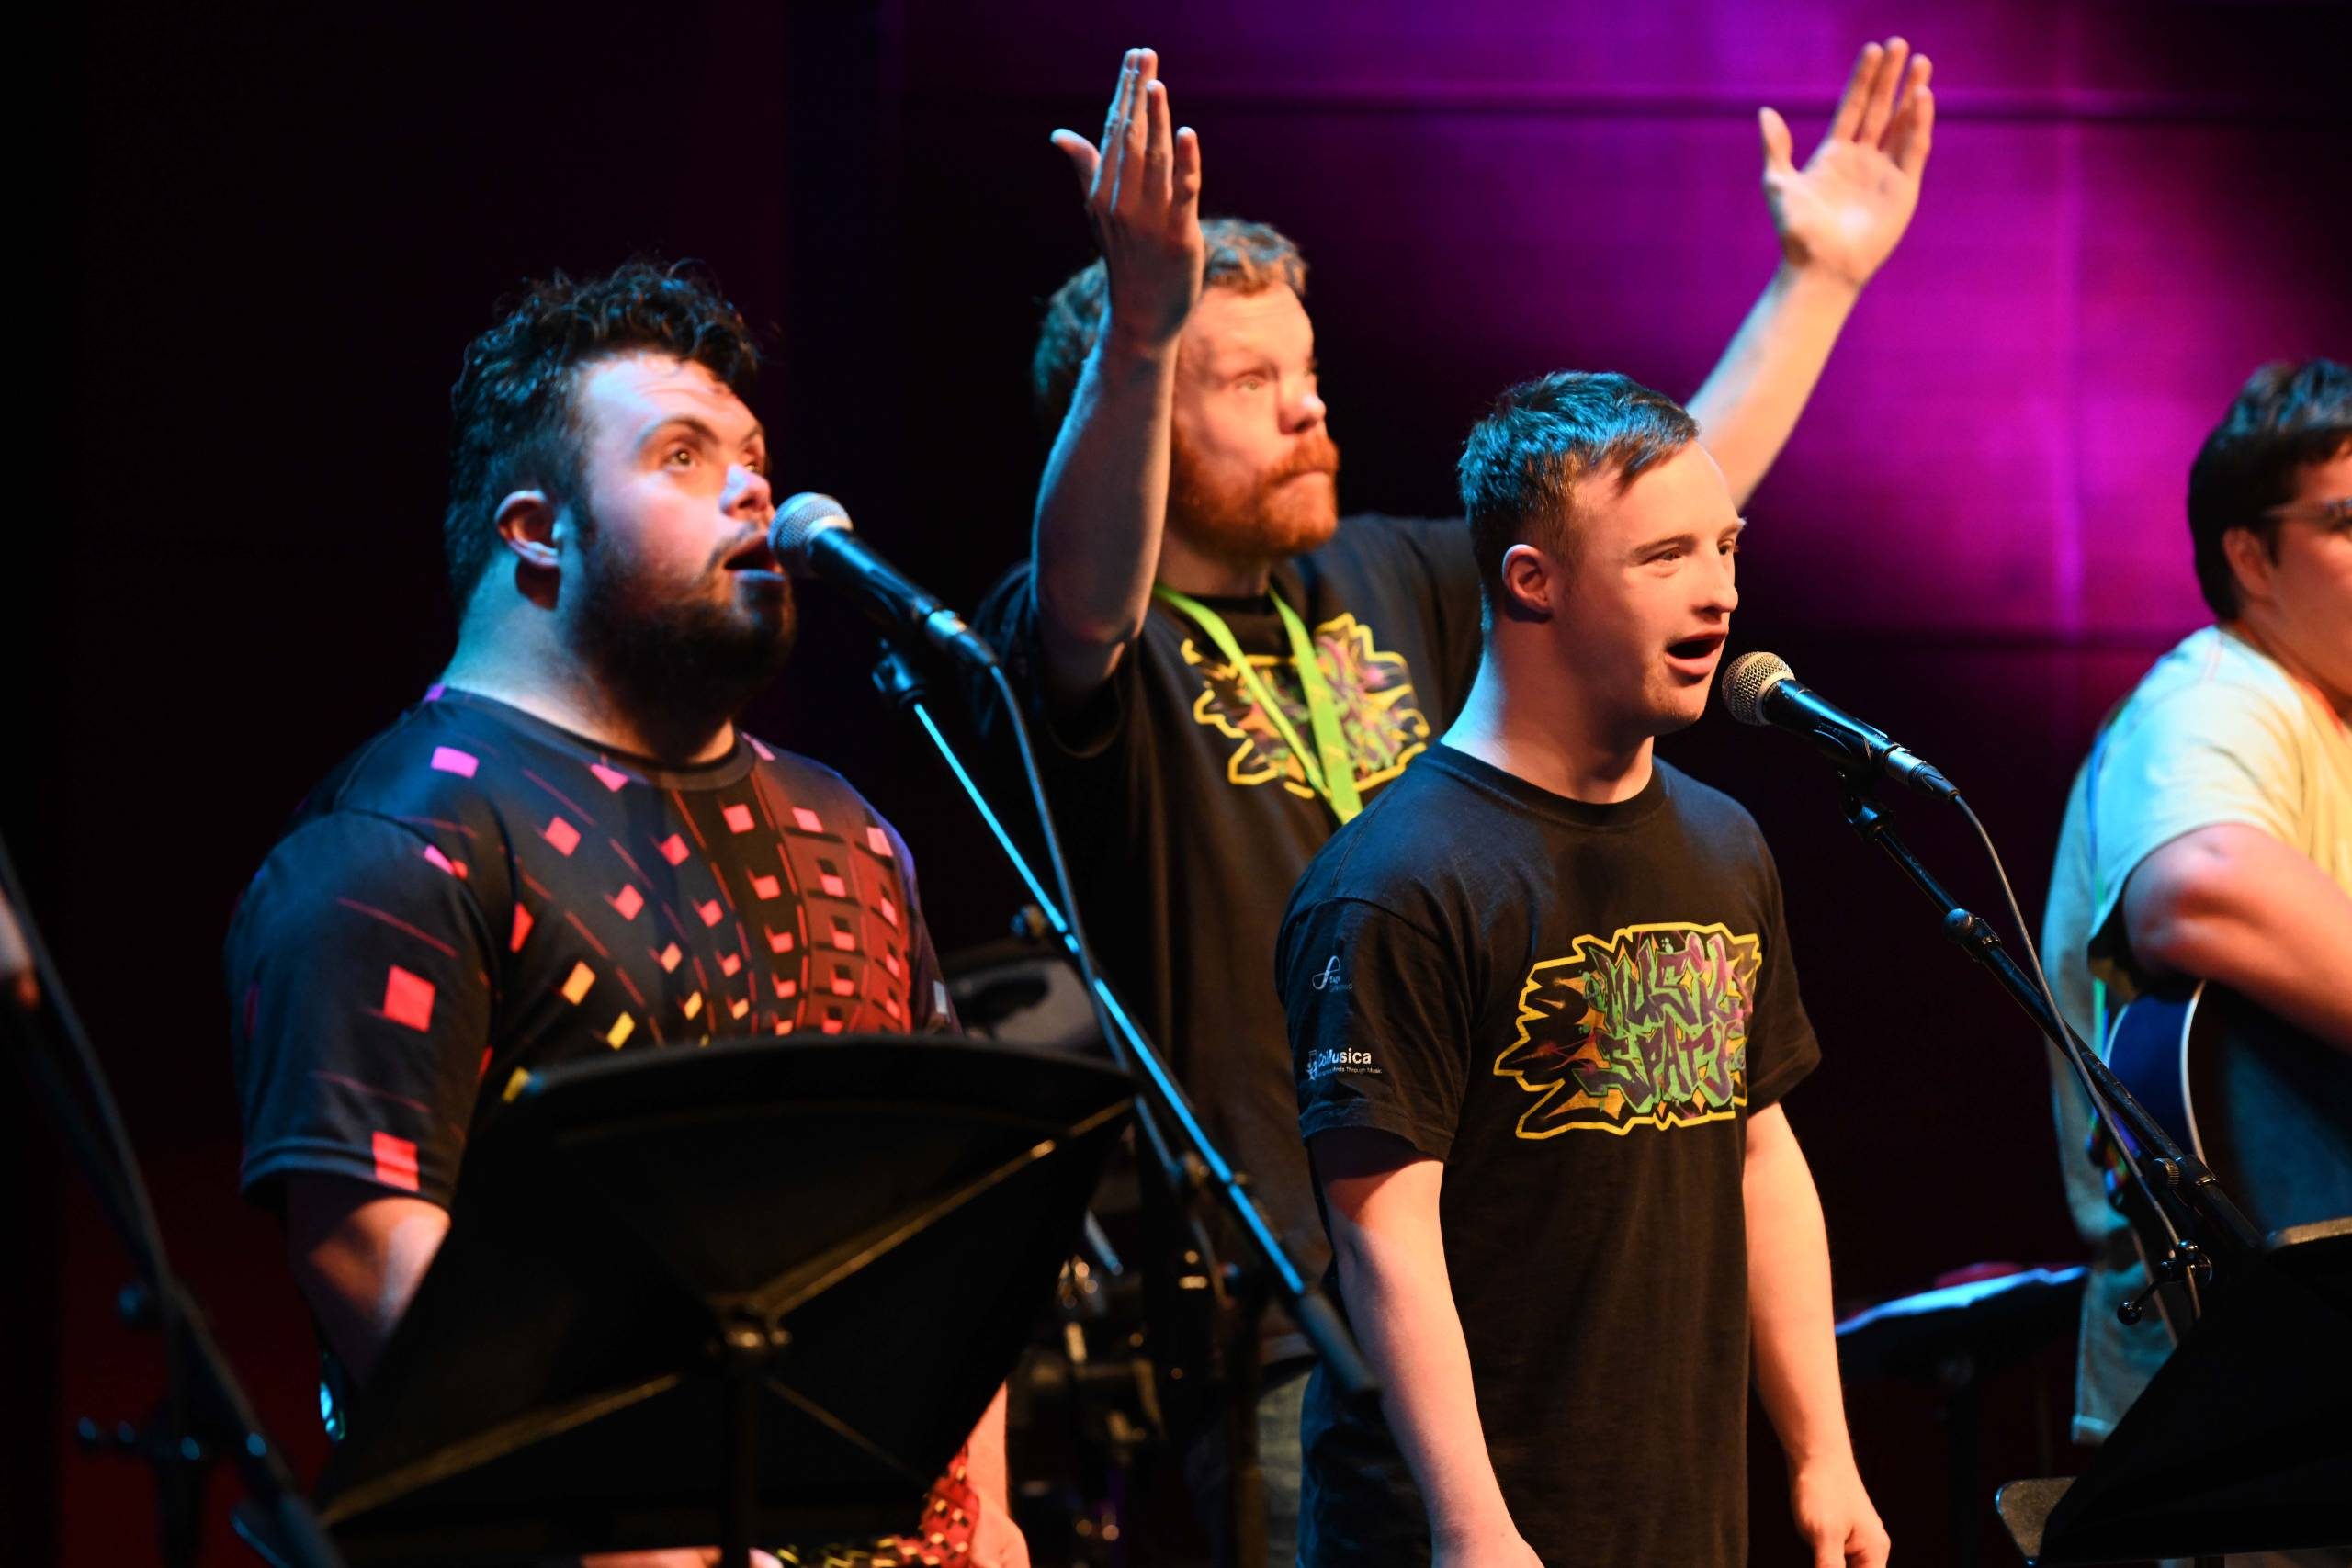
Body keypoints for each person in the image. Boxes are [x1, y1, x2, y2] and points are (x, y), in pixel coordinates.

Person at [973, 37, 1932, 1562]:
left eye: (1307, 372)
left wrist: (1816, 282)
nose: (1306, 410)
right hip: (1308, 1307)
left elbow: (1637, 527)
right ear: (1135, 400)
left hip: (1521, 1255)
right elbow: (1087, 590)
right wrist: (1143, 331)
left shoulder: (1391, 574)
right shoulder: (1098, 635)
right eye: (1248, 382)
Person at [225, 263, 1026, 1568]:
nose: (752, 489)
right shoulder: (401, 839)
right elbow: (372, 1246)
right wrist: (647, 1540)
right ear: (537, 530)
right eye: (681, 454)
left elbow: (938, 1208)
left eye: (754, 457)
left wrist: (988, 1507)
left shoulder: (849, 830)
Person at [1276, 371, 1880, 1567]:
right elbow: (1384, 1230)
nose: (1719, 590)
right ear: (1531, 581)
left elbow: (1758, 1155)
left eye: (1724, 546)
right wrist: (1471, 1524)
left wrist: (1823, 1451)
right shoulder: (1396, 881)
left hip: (1678, 1520)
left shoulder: (1722, 844)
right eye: (1664, 556)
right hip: (1469, 1533)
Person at [2040, 361, 2351, 1468]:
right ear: (2251, 557)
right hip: (2230, 1396)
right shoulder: (2217, 697)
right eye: (2346, 521)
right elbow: (2197, 885)